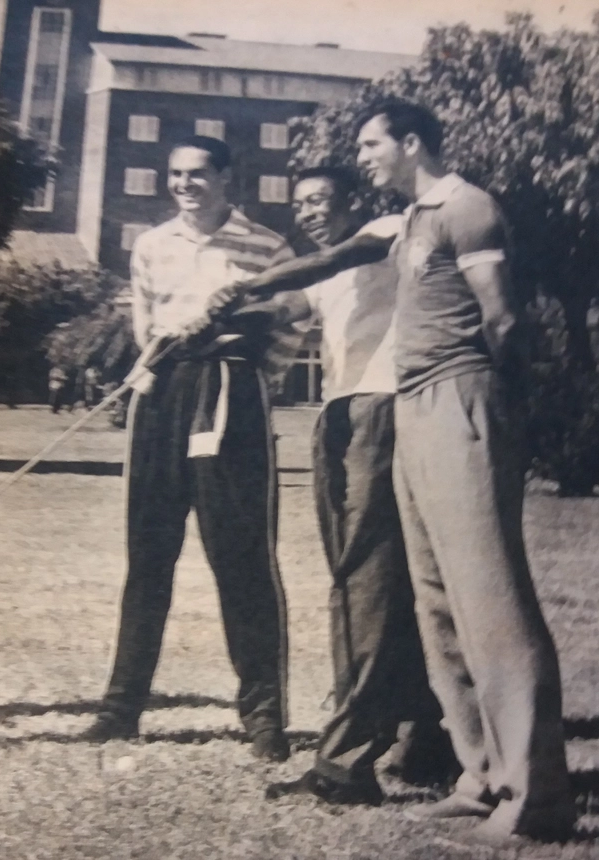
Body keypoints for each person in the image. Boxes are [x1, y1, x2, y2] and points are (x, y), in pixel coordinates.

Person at [209, 99, 574, 845]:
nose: (364, 156)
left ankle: (536, 798)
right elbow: (327, 260)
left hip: (458, 399)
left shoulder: (466, 207)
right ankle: (480, 776)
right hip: (411, 405)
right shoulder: (406, 220)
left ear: (412, 143)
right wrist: (246, 287)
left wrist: (487, 411)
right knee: (438, 601)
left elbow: (502, 319)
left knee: (490, 598)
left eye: (373, 144)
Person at [82, 135, 300, 762]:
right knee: (148, 557)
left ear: (227, 178)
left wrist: (259, 376)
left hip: (230, 394)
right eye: (176, 174)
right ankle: (120, 708)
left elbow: (293, 320)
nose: (184, 184)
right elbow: (145, 326)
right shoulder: (151, 246)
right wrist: (154, 368)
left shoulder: (267, 245)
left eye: (198, 174)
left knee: (242, 559)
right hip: (162, 395)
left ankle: (264, 718)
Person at [260, 166, 455, 806]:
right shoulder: (323, 275)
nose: (311, 212)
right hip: (337, 414)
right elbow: (278, 316)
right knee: (368, 579)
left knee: (367, 578)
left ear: (352, 200)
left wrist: (242, 283)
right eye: (301, 204)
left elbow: (327, 263)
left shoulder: (386, 229)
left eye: (321, 198)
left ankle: (346, 762)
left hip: (382, 407)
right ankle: (422, 738)